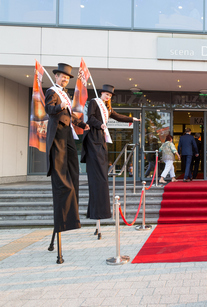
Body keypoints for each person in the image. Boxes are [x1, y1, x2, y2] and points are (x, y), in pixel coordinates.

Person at [81, 84, 140, 240]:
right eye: (106, 94)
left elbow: (118, 116)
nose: (108, 97)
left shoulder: (107, 108)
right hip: (94, 137)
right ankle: (98, 216)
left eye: (110, 95)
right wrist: (99, 124)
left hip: (101, 138)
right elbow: (90, 117)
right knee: (98, 177)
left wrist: (132, 118)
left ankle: (99, 214)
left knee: (102, 178)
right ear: (101, 94)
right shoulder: (95, 102)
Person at [45, 63, 89, 264]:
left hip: (69, 134)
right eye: (62, 76)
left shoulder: (65, 94)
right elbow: (49, 109)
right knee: (61, 173)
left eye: (67, 78)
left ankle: (72, 199)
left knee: (74, 169)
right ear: (56, 76)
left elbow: (70, 116)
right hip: (58, 136)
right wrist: (59, 106)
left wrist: (82, 124)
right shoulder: (52, 92)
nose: (64, 79)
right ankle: (65, 197)